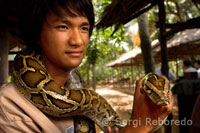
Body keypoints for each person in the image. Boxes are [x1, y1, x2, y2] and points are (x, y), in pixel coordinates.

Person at [0, 0, 173, 132]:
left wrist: (143, 121)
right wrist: (138, 127)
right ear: (37, 33)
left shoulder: (76, 89)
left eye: (84, 28)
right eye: (63, 26)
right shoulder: (7, 108)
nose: (77, 41)